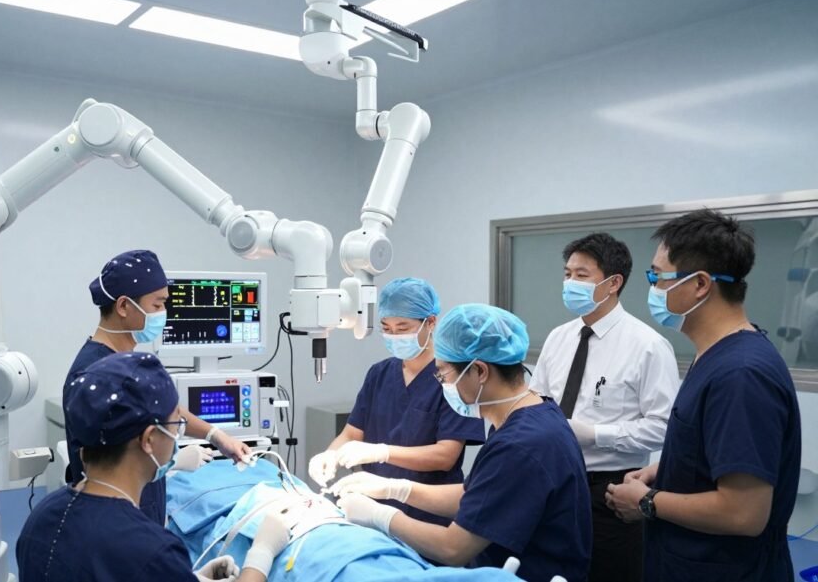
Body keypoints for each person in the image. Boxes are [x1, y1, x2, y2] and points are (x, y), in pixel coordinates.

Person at [606, 209, 802, 582]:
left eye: (656, 277)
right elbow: (715, 454)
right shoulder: (714, 356)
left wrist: (647, 502)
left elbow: (744, 513)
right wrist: (668, 470)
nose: (652, 288)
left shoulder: (741, 375)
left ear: (699, 284)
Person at [331, 304, 592, 582]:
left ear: (479, 371)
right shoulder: (537, 413)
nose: (442, 384)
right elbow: (481, 496)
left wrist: (379, 516)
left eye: (443, 374)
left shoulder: (520, 445)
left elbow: (453, 548)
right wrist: (395, 489)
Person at [18, 352, 293, 582]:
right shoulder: (152, 550)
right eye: (177, 424)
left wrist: (191, 577)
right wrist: (261, 554)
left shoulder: (42, 516)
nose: (179, 433)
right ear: (149, 439)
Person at [529, 232, 679, 582]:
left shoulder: (648, 346)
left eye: (582, 275)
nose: (569, 283)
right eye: (567, 274)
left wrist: (596, 435)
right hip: (552, 482)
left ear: (613, 283)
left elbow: (664, 428)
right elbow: (536, 402)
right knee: (550, 570)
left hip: (609, 493)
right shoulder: (558, 337)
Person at [63, 249, 252, 525]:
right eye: (157, 304)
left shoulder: (129, 362)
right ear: (124, 306)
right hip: (116, 523)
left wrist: (215, 435)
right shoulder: (92, 374)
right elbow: (102, 469)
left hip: (143, 513)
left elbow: (162, 409)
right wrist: (172, 462)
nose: (164, 313)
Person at [307, 278, 485, 527]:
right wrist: (330, 455)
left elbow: (446, 454)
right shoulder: (379, 373)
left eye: (403, 329)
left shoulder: (455, 377)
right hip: (371, 507)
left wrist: (382, 452)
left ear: (431, 322)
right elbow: (351, 434)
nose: (394, 336)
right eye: (387, 329)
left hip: (428, 514)